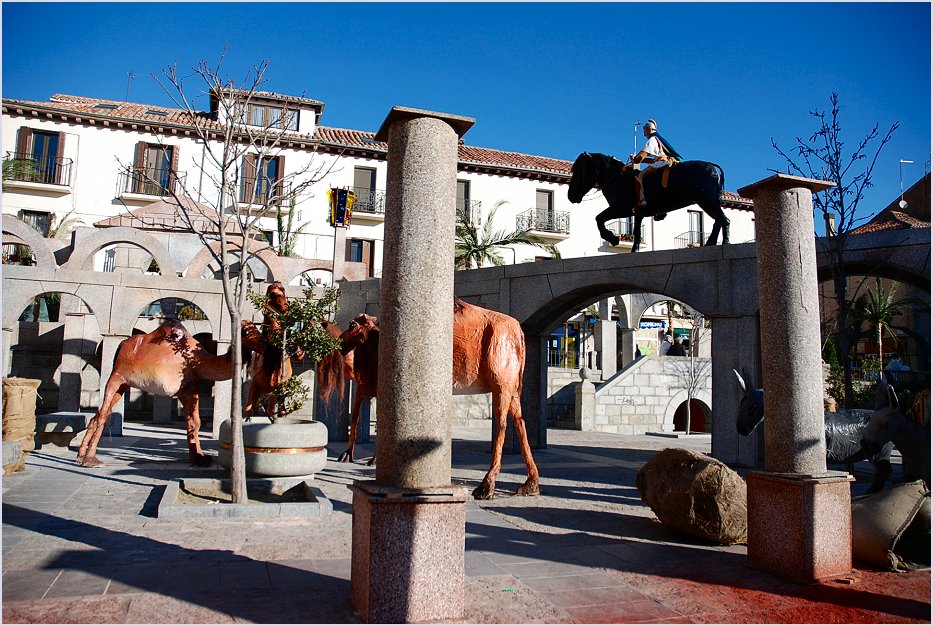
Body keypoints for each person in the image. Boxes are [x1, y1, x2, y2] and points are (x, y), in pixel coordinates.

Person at [629, 119, 683, 209]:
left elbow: (643, 154)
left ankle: (643, 201)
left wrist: (636, 159)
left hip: (662, 163)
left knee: (640, 176)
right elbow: (652, 160)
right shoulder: (658, 139)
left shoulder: (653, 139)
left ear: (649, 129)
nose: (644, 133)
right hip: (661, 161)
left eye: (644, 131)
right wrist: (639, 160)